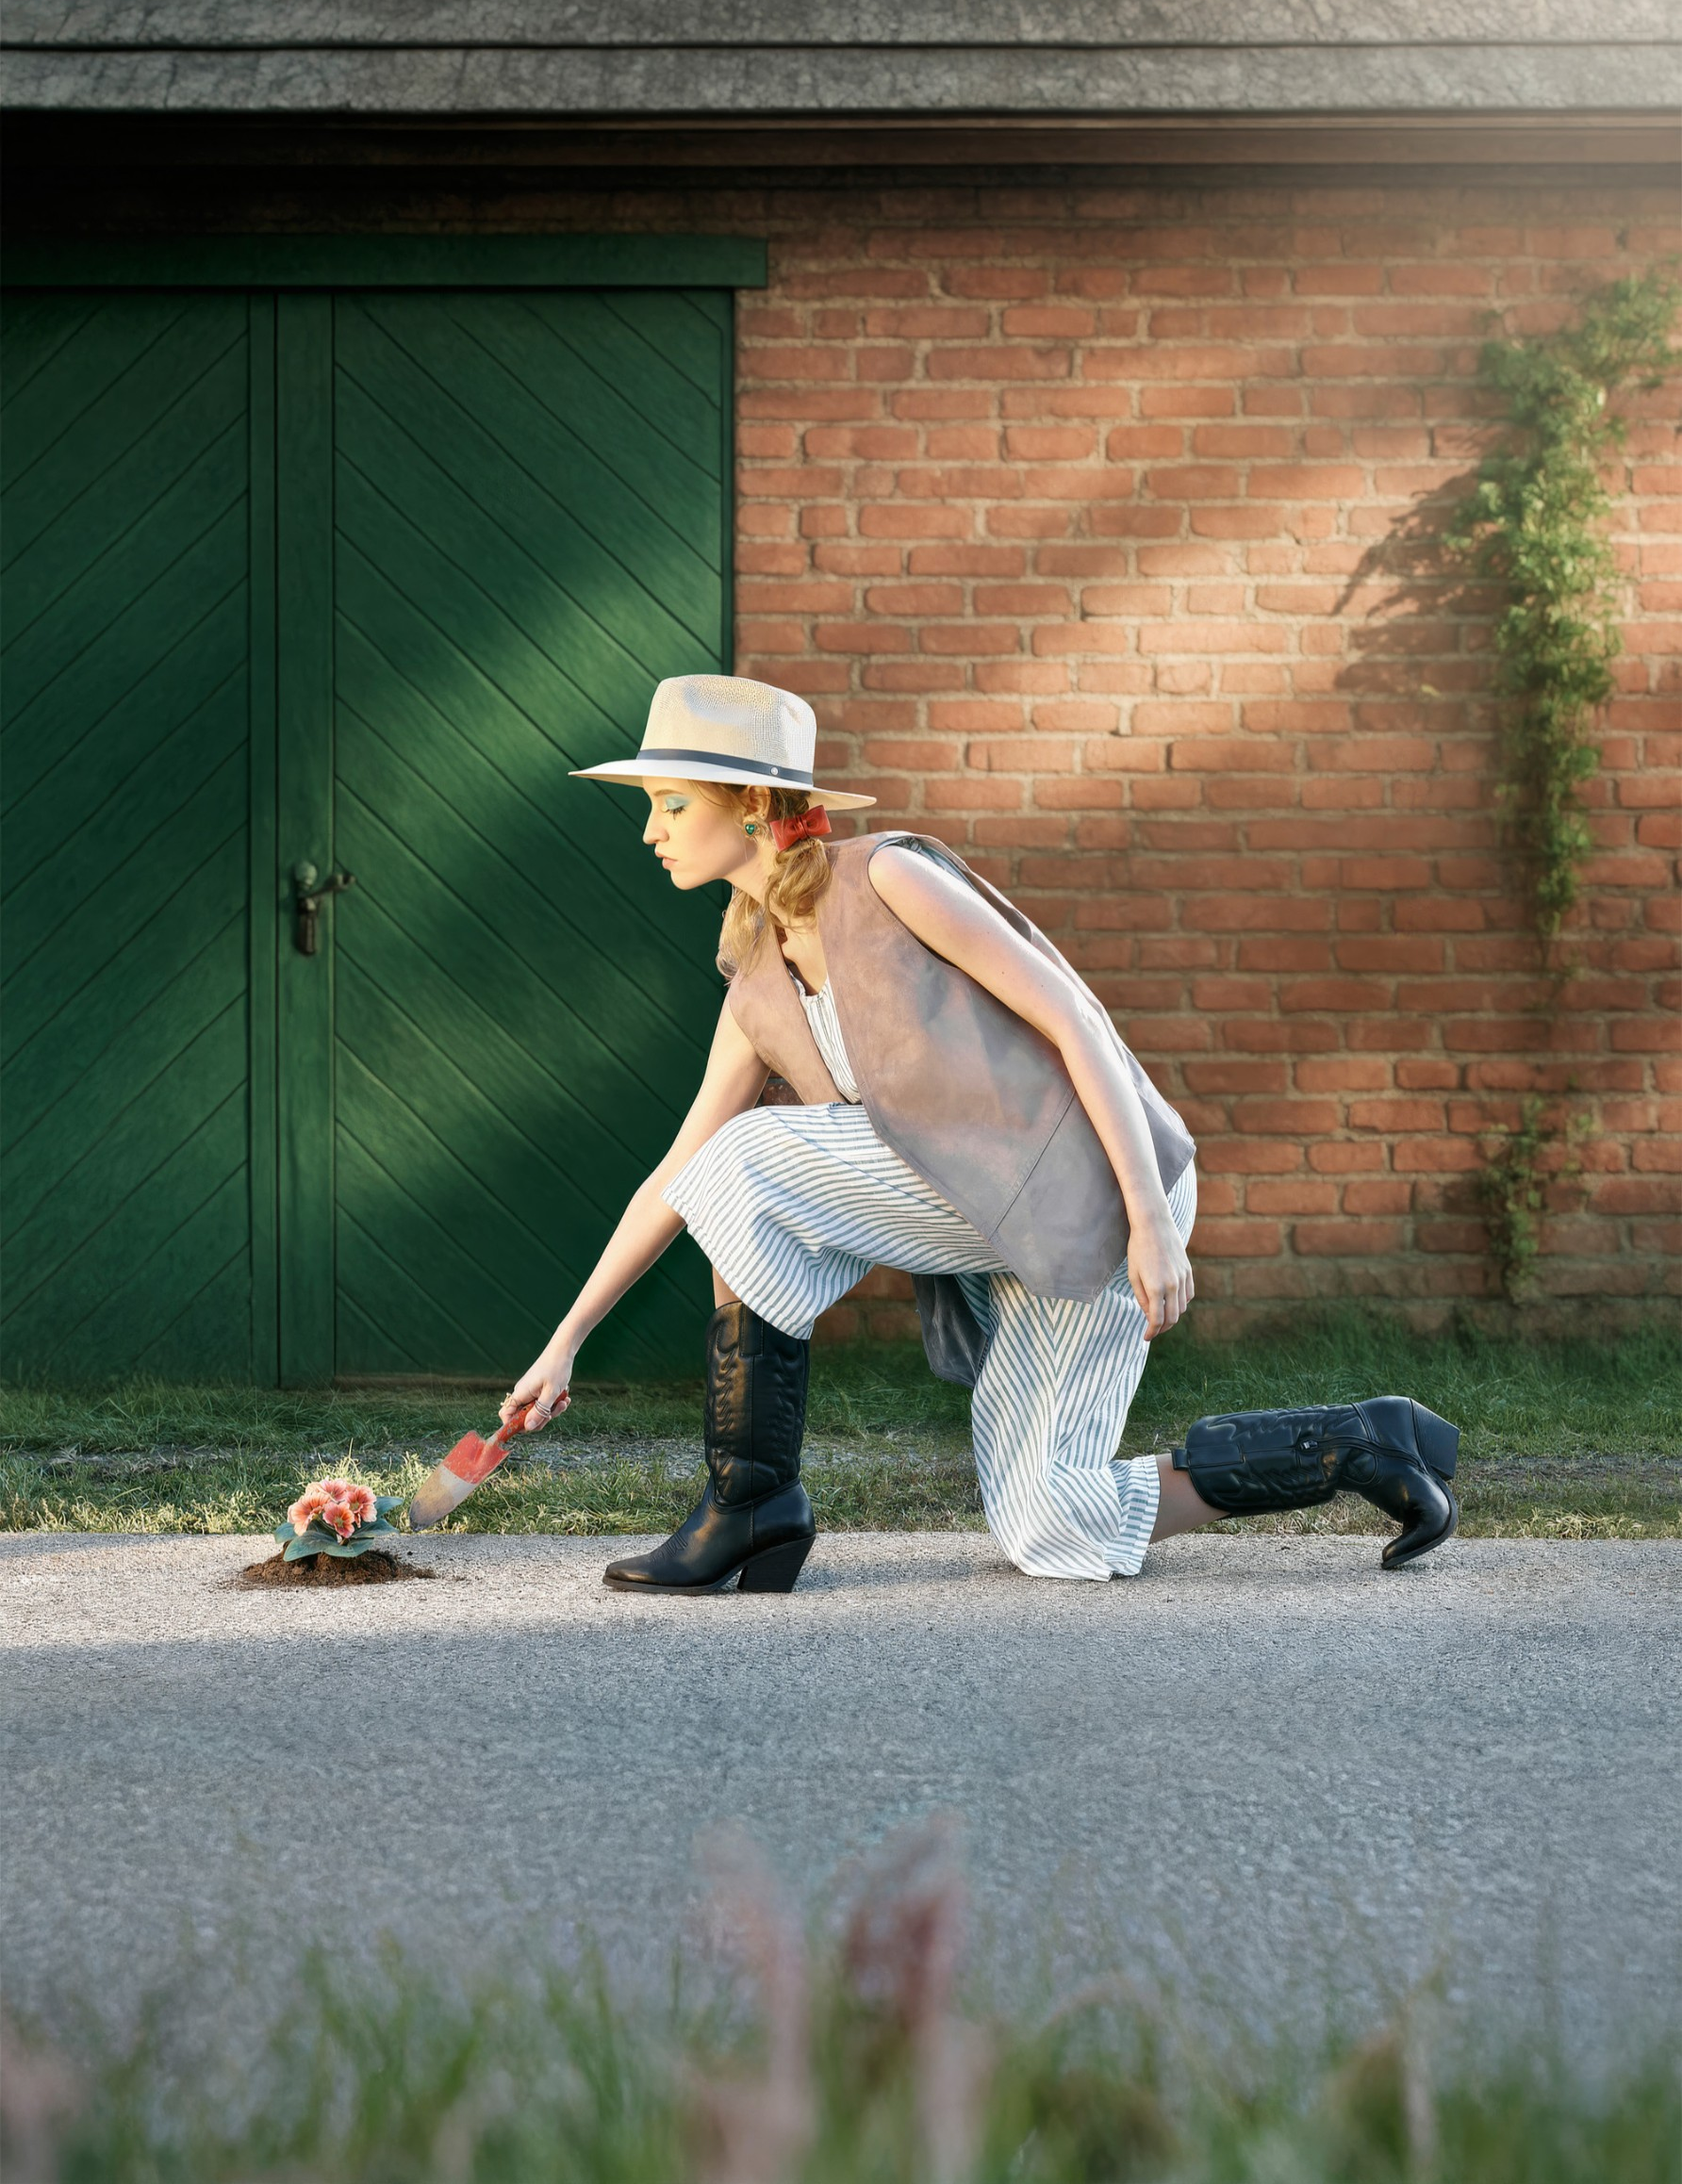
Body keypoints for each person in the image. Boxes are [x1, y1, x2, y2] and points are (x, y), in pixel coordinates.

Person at [501, 675, 1460, 1594]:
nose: (648, 830)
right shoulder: (753, 972)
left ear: (749, 803)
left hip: (1095, 1187)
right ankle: (1351, 1442)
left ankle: (746, 1505)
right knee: (1048, 1521)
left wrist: (1148, 1220)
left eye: (668, 804)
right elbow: (678, 1171)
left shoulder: (886, 879)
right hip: (984, 1212)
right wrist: (565, 1342)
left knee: (752, 1164)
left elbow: (1075, 1020)